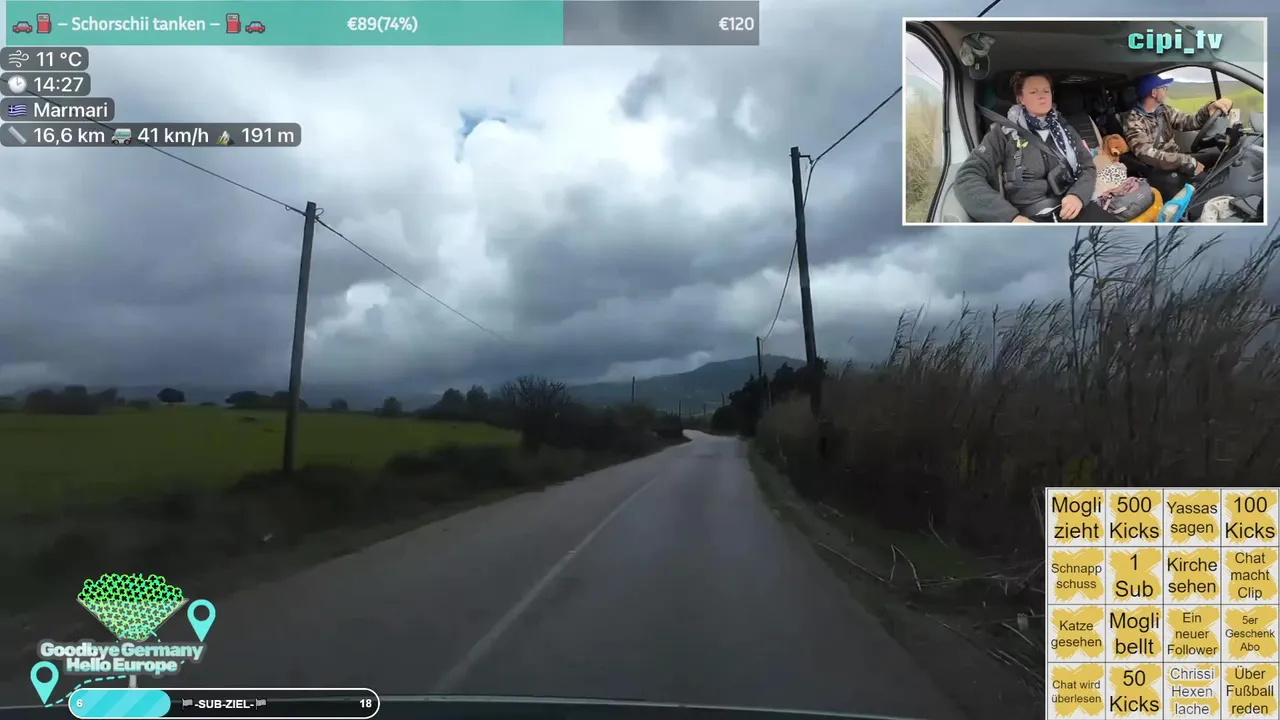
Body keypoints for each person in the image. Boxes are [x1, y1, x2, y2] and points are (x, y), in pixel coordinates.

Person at [954, 72, 1111, 223]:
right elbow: (967, 177)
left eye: (1046, 91)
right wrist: (1009, 217)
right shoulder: (1004, 132)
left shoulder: (1066, 129)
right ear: (1021, 98)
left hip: (1073, 208)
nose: (1042, 96)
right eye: (1033, 92)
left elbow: (1087, 167)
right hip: (1029, 217)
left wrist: (1078, 195)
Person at [1121, 73, 1232, 202]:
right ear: (1154, 93)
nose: (1166, 91)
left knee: (1217, 159)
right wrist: (1183, 161)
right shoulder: (1133, 120)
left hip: (1176, 159)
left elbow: (1188, 122)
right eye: (1164, 88)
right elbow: (1146, 153)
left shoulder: (1164, 110)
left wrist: (1208, 110)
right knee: (1205, 185)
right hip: (1158, 169)